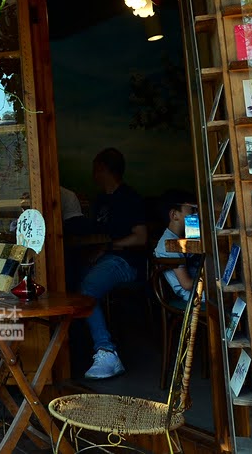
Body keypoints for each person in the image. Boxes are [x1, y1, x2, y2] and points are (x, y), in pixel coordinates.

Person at [76, 148, 148, 380]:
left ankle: (106, 351)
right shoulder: (100, 201)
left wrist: (108, 247)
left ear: (103, 169)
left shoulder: (130, 198)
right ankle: (75, 349)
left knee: (87, 290)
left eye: (96, 169)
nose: (93, 174)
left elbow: (141, 237)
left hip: (126, 262)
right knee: (71, 281)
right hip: (105, 258)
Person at [153, 190, 202, 304]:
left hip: (200, 289)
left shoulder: (184, 238)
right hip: (193, 295)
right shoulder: (169, 244)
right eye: (193, 210)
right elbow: (187, 284)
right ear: (174, 215)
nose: (197, 214)